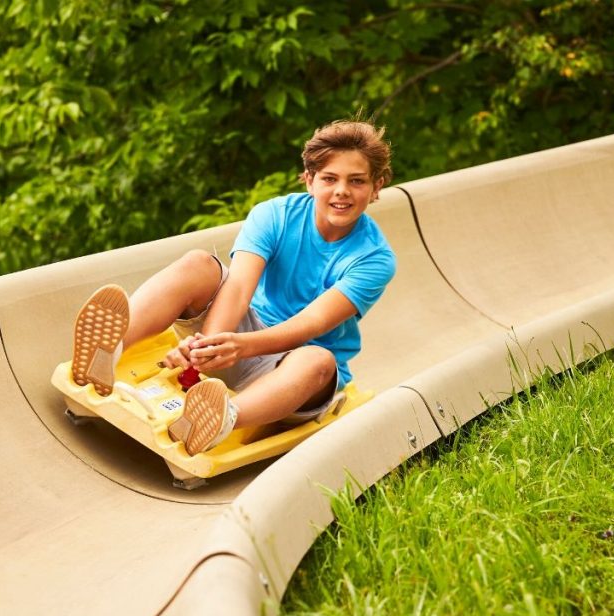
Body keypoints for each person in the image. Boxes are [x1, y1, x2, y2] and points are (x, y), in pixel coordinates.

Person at [70, 120, 397, 455]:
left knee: (319, 360)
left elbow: (308, 325)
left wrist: (236, 347)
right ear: (309, 180)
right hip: (236, 332)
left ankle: (219, 419)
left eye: (356, 181)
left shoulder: (374, 258)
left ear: (376, 187)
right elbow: (239, 286)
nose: (342, 190)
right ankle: (107, 353)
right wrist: (206, 348)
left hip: (291, 370)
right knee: (198, 263)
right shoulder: (275, 215)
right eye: (330, 178)